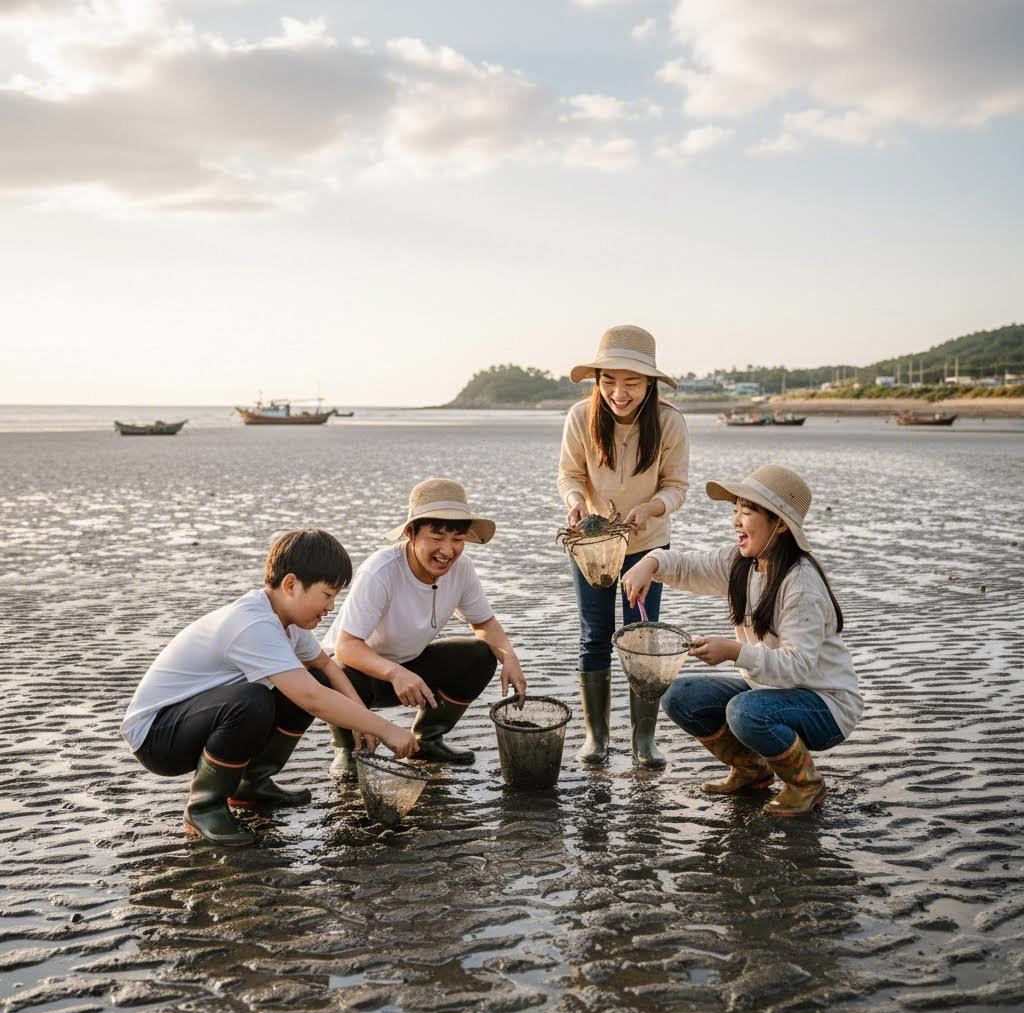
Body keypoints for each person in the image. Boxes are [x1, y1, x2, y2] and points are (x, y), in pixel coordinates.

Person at [121, 529, 418, 848]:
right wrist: (386, 728)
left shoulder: (289, 623)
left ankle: (251, 784)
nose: (331, 607)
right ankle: (204, 807)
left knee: (309, 681)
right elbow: (313, 700)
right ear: (291, 585)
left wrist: (363, 721)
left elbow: (327, 668)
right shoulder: (253, 624)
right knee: (253, 700)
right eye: (327, 594)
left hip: (192, 719)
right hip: (156, 737)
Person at [621, 464, 863, 817]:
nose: (735, 520)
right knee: (678, 694)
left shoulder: (801, 584)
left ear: (779, 524)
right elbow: (689, 566)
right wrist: (650, 562)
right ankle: (752, 771)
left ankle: (805, 783)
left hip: (825, 705)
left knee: (744, 712)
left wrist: (735, 652)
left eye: (746, 511)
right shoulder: (742, 562)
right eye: (735, 509)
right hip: (770, 692)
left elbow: (797, 667)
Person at [322, 478, 528, 772]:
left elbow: (485, 623)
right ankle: (348, 750)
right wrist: (395, 673)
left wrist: (510, 657)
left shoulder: (462, 569)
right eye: (437, 537)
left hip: (410, 668)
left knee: (480, 655)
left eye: (457, 539)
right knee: (336, 673)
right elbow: (346, 647)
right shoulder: (381, 570)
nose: (448, 550)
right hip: (356, 674)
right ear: (411, 533)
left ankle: (428, 739)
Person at [557, 324, 689, 769]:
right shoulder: (580, 417)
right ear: (598, 381)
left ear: (649, 383)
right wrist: (575, 502)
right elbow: (569, 475)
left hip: (647, 543)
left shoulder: (669, 422)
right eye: (609, 381)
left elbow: (677, 487)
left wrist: (652, 508)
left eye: (631, 383)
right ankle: (596, 738)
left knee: (641, 638)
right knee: (594, 636)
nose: (619, 393)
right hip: (593, 544)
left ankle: (643, 740)